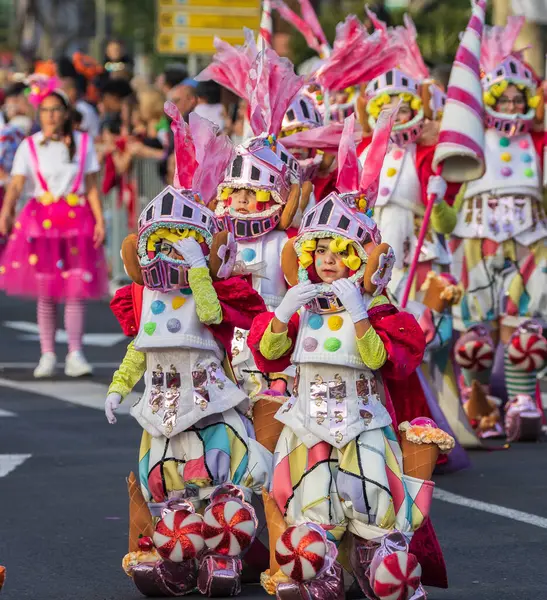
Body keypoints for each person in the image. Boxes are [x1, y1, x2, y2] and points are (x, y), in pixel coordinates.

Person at [248, 114, 452, 599]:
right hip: (307, 422)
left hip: (363, 421)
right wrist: (283, 312)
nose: (327, 261)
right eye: (320, 252)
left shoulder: (380, 310)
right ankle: (319, 564)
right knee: (312, 500)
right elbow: (269, 356)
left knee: (369, 499)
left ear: (362, 258)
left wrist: (360, 313)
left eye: (340, 252)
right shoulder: (302, 303)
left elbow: (386, 359)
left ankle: (376, 559)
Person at [104, 107, 272, 597]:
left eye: (184, 242)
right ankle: (178, 560)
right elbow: (140, 349)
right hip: (159, 403)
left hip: (207, 399)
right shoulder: (145, 294)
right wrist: (117, 389)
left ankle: (223, 558)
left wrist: (201, 269)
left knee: (218, 480)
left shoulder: (206, 283)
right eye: (164, 242)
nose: (172, 251)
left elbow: (214, 315)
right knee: (166, 486)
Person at [441, 17, 547, 437]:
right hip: (476, 243)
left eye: (518, 99)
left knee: (528, 334)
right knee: (474, 342)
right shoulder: (470, 139)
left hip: (531, 244)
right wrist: (437, 215)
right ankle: (479, 402)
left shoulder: (538, 142)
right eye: (503, 99)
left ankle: (521, 401)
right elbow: (446, 197)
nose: (510, 107)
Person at [0, 75, 107, 378]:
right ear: (39, 114)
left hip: (77, 222)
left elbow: (92, 186)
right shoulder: (29, 146)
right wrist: (6, 212)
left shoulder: (84, 144)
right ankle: (47, 353)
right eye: (45, 110)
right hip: (41, 224)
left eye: (56, 109)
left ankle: (75, 352)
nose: (51, 115)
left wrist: (100, 220)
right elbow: (17, 184)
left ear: (65, 113)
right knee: (46, 292)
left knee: (75, 289)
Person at [62, 73, 100, 138]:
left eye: (63, 91)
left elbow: (79, 132)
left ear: (72, 91)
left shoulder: (84, 109)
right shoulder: (73, 107)